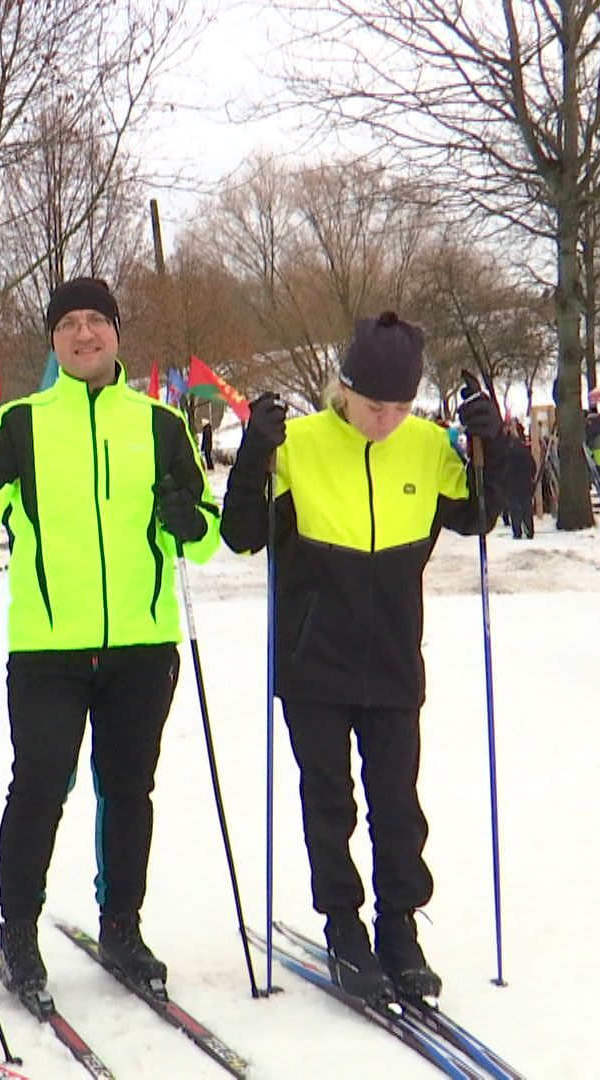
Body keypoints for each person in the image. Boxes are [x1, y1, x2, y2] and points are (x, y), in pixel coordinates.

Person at [0, 277, 220, 1003]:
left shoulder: (161, 424)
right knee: (42, 785)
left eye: (97, 322)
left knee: (128, 789)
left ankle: (122, 923)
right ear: (53, 340)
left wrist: (189, 520)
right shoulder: (21, 422)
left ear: (117, 333)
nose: (84, 335)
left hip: (143, 646)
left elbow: (207, 534)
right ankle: (18, 929)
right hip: (49, 648)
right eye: (69, 325)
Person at [219, 311, 508, 1007]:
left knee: (397, 805)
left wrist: (492, 442)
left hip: (393, 660)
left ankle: (400, 928)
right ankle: (344, 925)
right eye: (374, 404)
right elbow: (241, 535)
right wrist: (257, 452)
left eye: (402, 406)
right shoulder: (300, 444)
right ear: (343, 387)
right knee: (330, 802)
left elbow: (482, 513)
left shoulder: (427, 447)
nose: (386, 419)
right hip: (313, 657)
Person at [498, 421, 537, 540]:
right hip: (525, 482)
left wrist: (504, 481)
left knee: (515, 508)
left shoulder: (506, 453)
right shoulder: (525, 450)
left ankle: (517, 531)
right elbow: (532, 466)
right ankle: (529, 530)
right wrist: (531, 476)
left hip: (512, 483)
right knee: (526, 507)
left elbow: (503, 468)